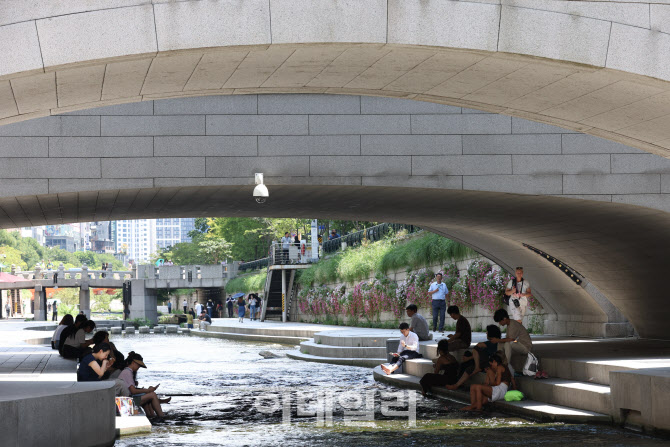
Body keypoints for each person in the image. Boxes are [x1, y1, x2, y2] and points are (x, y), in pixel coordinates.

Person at [446, 324, 500, 391]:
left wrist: (469, 358)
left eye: (487, 332)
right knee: (469, 368)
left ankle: (476, 368)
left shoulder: (493, 343)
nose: (486, 333)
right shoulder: (492, 343)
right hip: (484, 362)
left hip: (489, 363)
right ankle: (456, 385)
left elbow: (478, 345)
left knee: (476, 348)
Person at [119, 352, 168, 421]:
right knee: (152, 395)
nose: (138, 368)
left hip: (126, 400)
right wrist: (148, 390)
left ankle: (151, 415)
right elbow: (133, 391)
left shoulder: (126, 371)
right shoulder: (127, 372)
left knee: (147, 395)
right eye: (138, 365)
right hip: (127, 401)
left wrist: (146, 391)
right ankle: (161, 416)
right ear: (133, 363)